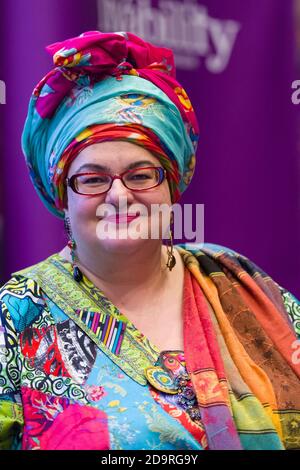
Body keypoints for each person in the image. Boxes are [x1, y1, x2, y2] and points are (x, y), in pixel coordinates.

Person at [0, 31, 299, 451]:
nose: (120, 196)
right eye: (93, 179)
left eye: (141, 175)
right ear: (63, 196)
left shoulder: (236, 281)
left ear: (171, 186)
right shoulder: (15, 315)